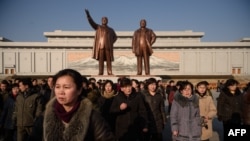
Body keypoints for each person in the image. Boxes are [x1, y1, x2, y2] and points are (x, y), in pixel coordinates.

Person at [43, 68, 116, 141]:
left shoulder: (93, 118)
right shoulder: (44, 117)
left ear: (79, 90)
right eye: (57, 87)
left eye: (66, 87)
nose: (61, 92)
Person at [85, 9, 117, 75]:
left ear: (107, 21)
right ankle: (100, 72)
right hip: (101, 46)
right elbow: (92, 23)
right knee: (101, 60)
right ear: (101, 21)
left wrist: (111, 42)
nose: (104, 20)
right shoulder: (98, 27)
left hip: (108, 47)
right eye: (103, 19)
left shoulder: (111, 29)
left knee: (109, 60)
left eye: (105, 20)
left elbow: (115, 37)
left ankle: (109, 72)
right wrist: (88, 16)